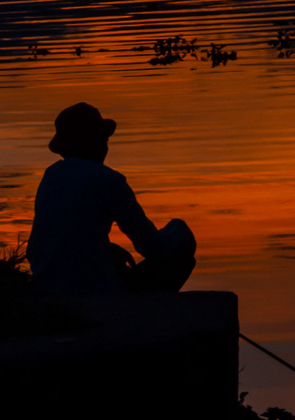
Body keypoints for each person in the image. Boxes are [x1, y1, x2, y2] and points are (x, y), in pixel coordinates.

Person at [27, 101, 196, 293]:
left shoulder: (51, 177)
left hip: (47, 285)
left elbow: (65, 233)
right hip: (96, 291)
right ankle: (142, 316)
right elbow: (152, 246)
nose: (106, 147)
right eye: (104, 140)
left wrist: (107, 249)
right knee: (182, 251)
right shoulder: (108, 180)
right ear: (96, 143)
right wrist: (179, 230)